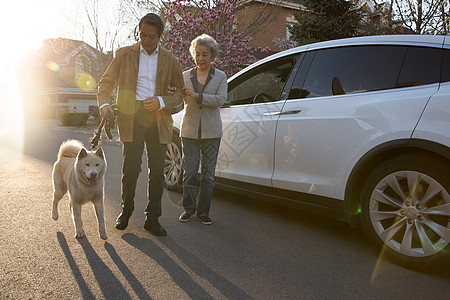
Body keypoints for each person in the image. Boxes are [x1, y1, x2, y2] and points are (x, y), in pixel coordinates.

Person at [97, 13, 184, 236]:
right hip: (131, 115)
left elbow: (179, 95)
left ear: (160, 36)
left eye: (151, 36)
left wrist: (162, 101)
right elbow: (106, 82)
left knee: (157, 172)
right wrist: (105, 104)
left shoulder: (170, 60)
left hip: (158, 118)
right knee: (131, 168)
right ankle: (126, 211)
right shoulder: (124, 54)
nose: (145, 40)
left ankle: (152, 218)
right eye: (142, 35)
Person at [178, 34, 227, 225]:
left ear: (212, 55)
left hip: (211, 133)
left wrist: (198, 96)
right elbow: (179, 99)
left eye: (205, 54)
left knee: (208, 175)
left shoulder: (221, 76)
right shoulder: (184, 76)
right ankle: (188, 209)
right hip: (189, 131)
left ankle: (203, 212)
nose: (200, 58)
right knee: (189, 172)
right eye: (197, 54)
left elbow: (220, 100)